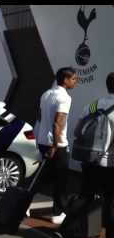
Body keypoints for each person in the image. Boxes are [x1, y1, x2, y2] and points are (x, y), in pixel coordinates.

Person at [53, 73, 114, 238]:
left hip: (89, 159)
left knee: (85, 196)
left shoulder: (93, 104)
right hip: (109, 163)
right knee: (111, 201)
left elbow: (78, 130)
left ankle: (63, 232)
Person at [34, 67, 78, 225]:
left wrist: (40, 142)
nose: (75, 81)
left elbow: (39, 119)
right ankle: (58, 213)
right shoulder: (65, 98)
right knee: (61, 180)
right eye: (73, 79)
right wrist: (55, 145)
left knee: (42, 176)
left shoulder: (46, 94)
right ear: (65, 80)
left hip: (43, 141)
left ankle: (23, 203)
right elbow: (58, 123)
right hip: (56, 145)